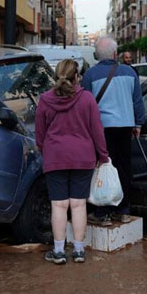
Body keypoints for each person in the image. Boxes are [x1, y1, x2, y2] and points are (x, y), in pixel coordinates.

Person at [35, 59, 109, 264]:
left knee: (58, 205)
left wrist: (46, 150)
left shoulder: (44, 100)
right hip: (83, 157)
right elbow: (97, 130)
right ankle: (78, 251)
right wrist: (103, 156)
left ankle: (58, 252)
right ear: (77, 77)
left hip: (55, 157)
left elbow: (39, 134)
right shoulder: (87, 99)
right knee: (78, 205)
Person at [82, 37, 145, 225]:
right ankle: (123, 210)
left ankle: (102, 212)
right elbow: (137, 101)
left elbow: (85, 105)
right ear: (115, 54)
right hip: (125, 126)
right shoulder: (130, 73)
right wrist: (138, 124)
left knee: (103, 168)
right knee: (124, 168)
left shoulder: (90, 75)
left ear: (96, 56)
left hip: (101, 129)